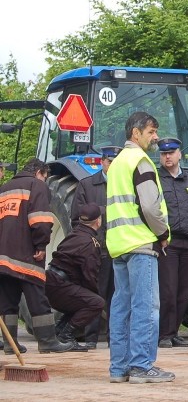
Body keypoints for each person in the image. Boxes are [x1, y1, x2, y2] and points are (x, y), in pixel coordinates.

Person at [106, 111, 174, 384]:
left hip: (118, 245)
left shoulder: (118, 162)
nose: (155, 137)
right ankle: (142, 367)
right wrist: (163, 233)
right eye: (151, 132)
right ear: (136, 133)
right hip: (140, 243)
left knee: (121, 307)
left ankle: (118, 368)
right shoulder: (141, 161)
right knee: (146, 306)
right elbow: (148, 205)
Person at [0, 158, 73, 354]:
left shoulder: (5, 188)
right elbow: (40, 220)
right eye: (45, 176)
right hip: (26, 255)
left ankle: (9, 344)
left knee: (8, 301)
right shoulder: (36, 186)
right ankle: (48, 341)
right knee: (38, 299)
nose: (45, 180)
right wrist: (41, 244)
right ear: (39, 173)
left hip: (4, 256)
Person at [72, 145, 122, 349]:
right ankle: (91, 338)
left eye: (116, 162)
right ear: (102, 161)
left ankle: (115, 338)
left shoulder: (125, 184)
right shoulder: (87, 185)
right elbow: (77, 217)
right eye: (110, 161)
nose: (113, 165)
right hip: (96, 249)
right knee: (95, 293)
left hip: (119, 249)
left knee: (117, 296)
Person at [156, 137, 188, 349]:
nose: (167, 156)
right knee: (168, 291)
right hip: (169, 243)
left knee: (184, 291)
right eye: (164, 153)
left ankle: (173, 333)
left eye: (171, 152)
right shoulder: (156, 179)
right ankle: (164, 334)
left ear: (179, 154)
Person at [45, 202, 105, 352]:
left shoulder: (74, 234)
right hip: (60, 285)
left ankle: (58, 332)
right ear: (98, 221)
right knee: (95, 303)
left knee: (81, 298)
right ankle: (66, 336)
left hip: (50, 281)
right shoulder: (90, 243)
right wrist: (94, 294)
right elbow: (90, 274)